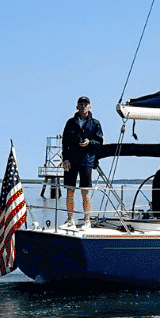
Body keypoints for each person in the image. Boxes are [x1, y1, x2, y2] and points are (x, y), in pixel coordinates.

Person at [61, 96, 103, 228]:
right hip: (71, 160)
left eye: (86, 104)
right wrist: (65, 159)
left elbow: (100, 143)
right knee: (70, 190)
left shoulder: (95, 123)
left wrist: (90, 142)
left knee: (85, 191)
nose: (83, 107)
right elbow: (64, 142)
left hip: (86, 160)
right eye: (81, 104)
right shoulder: (70, 123)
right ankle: (70, 220)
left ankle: (87, 221)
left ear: (89, 107)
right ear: (77, 106)